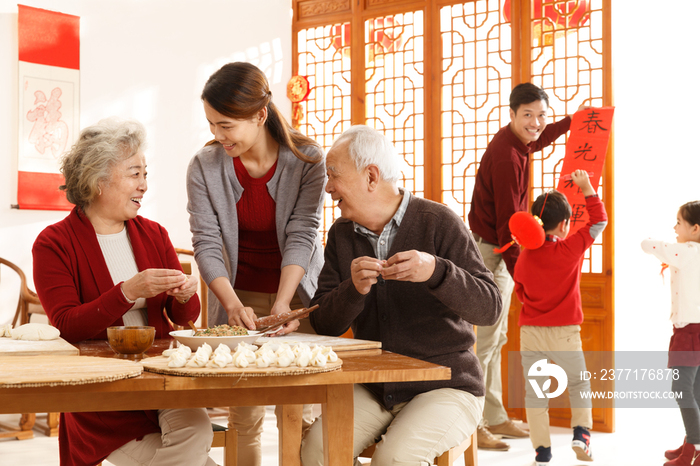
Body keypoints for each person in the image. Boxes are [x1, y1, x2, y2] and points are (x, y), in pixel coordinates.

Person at [300, 125, 502, 465]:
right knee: (317, 451)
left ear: (371, 176)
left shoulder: (438, 222)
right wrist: (355, 289)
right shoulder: (341, 235)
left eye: (333, 175)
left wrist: (436, 271)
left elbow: (490, 307)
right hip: (375, 386)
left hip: (448, 385)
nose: (328, 187)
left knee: (395, 459)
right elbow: (324, 324)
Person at [32, 118, 216, 466]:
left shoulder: (154, 234)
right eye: (135, 173)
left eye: (145, 174)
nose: (144, 185)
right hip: (103, 393)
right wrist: (127, 291)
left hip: (162, 376)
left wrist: (183, 295)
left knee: (197, 431)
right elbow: (67, 324)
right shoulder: (54, 243)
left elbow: (183, 318)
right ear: (98, 180)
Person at [186, 62, 326, 466]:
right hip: (238, 295)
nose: (218, 135)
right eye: (212, 125)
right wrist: (230, 306)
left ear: (260, 115)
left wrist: (283, 304)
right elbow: (207, 243)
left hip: (295, 293)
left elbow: (304, 233)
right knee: (243, 415)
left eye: (226, 126)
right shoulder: (204, 167)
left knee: (298, 413)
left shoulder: (307, 159)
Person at [467, 82, 575, 450]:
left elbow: (539, 140)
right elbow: (505, 226)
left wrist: (569, 123)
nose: (536, 123)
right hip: (493, 250)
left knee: (497, 340)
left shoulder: (518, 143)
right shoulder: (506, 157)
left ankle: (495, 416)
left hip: (502, 247)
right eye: (527, 115)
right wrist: (525, 279)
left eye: (541, 115)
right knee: (482, 343)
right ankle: (473, 424)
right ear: (512, 113)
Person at [514, 170, 607, 465]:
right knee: (579, 383)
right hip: (565, 332)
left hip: (531, 332)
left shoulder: (524, 257)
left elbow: (520, 293)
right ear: (565, 224)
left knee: (536, 393)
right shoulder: (570, 248)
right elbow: (599, 221)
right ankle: (581, 435)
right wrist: (587, 188)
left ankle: (542, 451)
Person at [642, 201, 700, 466]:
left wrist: (650, 239)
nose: (674, 227)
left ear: (695, 229)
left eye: (678, 222)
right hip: (693, 330)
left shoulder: (688, 251)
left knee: (681, 389)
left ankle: (695, 447)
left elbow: (650, 245)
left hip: (689, 332)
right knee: (696, 391)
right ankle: (692, 444)